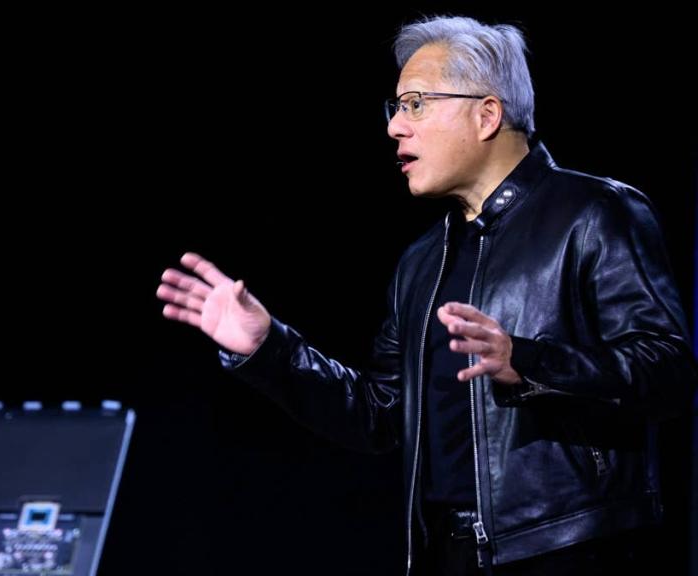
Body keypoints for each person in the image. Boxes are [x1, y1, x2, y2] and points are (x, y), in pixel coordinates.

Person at [155, 15, 695, 576]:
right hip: (444, 555)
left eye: (415, 104)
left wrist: (527, 362)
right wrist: (269, 350)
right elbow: (379, 414)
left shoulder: (595, 213)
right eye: (395, 108)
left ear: (487, 115)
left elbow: (669, 371)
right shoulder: (422, 260)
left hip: (566, 546)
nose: (395, 127)